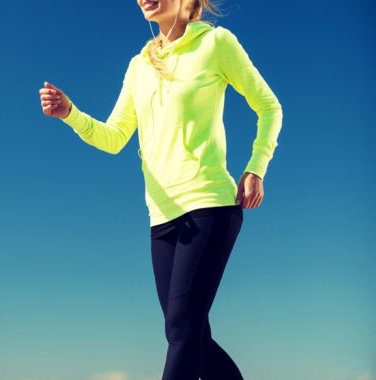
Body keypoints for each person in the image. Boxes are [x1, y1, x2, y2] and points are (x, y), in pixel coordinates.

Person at [38, 0, 283, 379]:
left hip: (209, 204)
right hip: (162, 216)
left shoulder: (216, 44)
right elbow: (115, 137)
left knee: (182, 330)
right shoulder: (139, 67)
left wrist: (256, 168)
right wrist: (71, 113)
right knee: (191, 335)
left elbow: (269, 106)